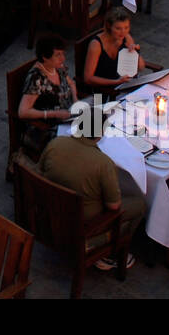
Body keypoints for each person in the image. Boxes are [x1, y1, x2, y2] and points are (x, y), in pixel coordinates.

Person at [37, 115, 144, 270]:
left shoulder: (55, 143)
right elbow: (114, 206)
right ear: (100, 134)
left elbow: (39, 172)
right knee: (140, 203)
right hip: (83, 226)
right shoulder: (103, 163)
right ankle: (109, 253)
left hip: (51, 212)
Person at [17, 35, 79, 159]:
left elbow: (71, 83)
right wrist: (54, 114)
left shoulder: (58, 67)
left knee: (97, 128)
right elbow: (23, 112)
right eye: (58, 55)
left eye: (63, 53)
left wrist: (76, 99)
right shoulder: (36, 78)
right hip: (46, 128)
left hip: (67, 119)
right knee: (82, 145)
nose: (63, 58)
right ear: (45, 57)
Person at [82, 9, 147, 93]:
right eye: (118, 28)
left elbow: (141, 67)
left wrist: (135, 53)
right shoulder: (96, 45)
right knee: (99, 105)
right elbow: (88, 78)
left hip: (120, 87)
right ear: (109, 26)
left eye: (126, 27)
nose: (123, 32)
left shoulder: (126, 38)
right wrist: (116, 82)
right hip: (99, 89)